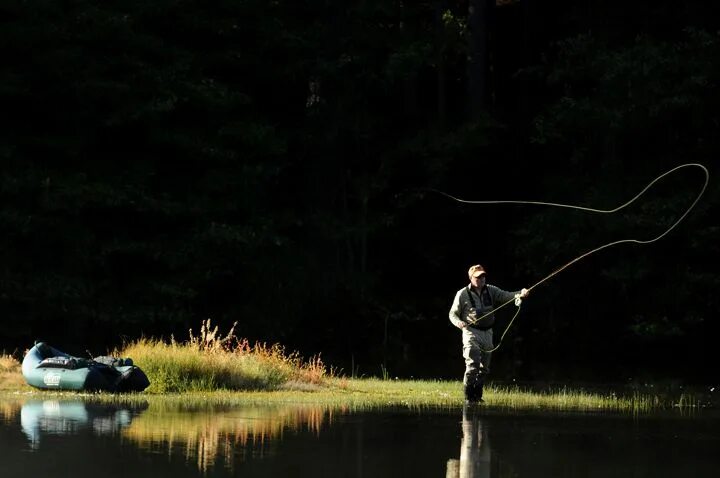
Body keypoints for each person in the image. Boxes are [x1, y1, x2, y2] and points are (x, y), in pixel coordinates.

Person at [449, 264, 529, 404]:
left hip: (487, 332)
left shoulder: (491, 290)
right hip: (470, 331)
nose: (481, 279)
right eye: (478, 277)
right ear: (471, 278)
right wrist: (459, 323)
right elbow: (452, 314)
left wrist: (520, 294)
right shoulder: (462, 294)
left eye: (483, 276)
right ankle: (469, 396)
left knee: (484, 367)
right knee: (472, 363)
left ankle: (478, 395)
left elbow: (507, 296)